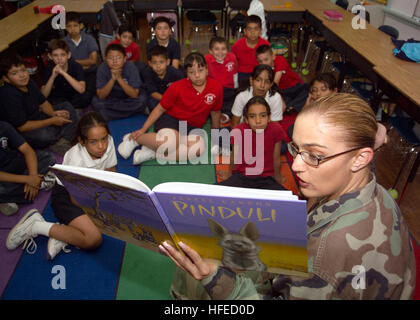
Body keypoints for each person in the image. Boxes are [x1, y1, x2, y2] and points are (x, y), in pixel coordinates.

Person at [159, 93, 416, 300]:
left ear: (361, 157)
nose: (295, 166)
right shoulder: (372, 187)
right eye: (296, 149)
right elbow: (371, 138)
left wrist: (215, 277)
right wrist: (376, 130)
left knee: (194, 273)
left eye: (315, 155)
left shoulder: (326, 256)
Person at [6, 111, 117, 260]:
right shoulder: (76, 160)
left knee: (117, 213)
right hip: (67, 197)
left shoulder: (108, 142)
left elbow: (111, 172)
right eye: (93, 142)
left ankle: (65, 234)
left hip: (92, 189)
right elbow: (75, 200)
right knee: (93, 239)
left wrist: (112, 197)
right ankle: (36, 225)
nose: (101, 146)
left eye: (104, 139)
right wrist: (100, 208)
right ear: (82, 141)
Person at [118, 52, 222, 165]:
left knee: (197, 149)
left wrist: (216, 139)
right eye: (192, 72)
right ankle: (135, 139)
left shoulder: (216, 87)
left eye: (200, 70)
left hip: (192, 127)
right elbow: (159, 109)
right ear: (186, 74)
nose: (197, 75)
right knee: (169, 143)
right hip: (172, 120)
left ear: (207, 70)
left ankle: (155, 152)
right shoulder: (177, 87)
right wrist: (143, 129)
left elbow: (215, 113)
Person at [0, 55, 77, 155]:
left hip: (38, 116)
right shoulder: (7, 95)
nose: (22, 75)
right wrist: (52, 121)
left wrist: (54, 114)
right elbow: (22, 127)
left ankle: (63, 139)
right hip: (24, 129)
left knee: (67, 107)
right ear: (6, 78)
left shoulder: (29, 82)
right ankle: (60, 138)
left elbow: (43, 103)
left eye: (23, 70)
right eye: (15, 73)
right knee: (45, 135)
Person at [217, 96, 287, 190]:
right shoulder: (238, 131)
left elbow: (276, 158)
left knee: (290, 201)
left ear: (269, 117)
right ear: (246, 119)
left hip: (266, 179)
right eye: (252, 116)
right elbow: (234, 157)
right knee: (211, 194)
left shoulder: (276, 129)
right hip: (241, 177)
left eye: (262, 115)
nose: (258, 121)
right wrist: (229, 174)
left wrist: (277, 177)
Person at [0, 121, 56, 216]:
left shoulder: (3, 126)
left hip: (14, 162)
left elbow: (27, 150)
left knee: (48, 157)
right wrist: (28, 179)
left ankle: (14, 196)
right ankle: (41, 183)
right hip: (3, 176)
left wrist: (33, 175)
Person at [92, 43, 147, 121]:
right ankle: (131, 113)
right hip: (111, 98)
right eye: (110, 58)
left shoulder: (131, 67)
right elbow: (101, 95)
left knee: (141, 101)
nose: (114, 61)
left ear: (124, 59)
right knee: (97, 103)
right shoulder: (102, 68)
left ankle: (111, 114)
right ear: (106, 59)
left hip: (128, 98)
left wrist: (119, 78)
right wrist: (113, 79)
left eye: (118, 58)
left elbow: (134, 94)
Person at [256, 44, 308, 113]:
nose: (263, 63)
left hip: (295, 86)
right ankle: (291, 107)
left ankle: (291, 106)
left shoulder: (280, 60)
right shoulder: (261, 69)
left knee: (308, 89)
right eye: (260, 61)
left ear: (273, 56)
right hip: (282, 91)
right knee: (278, 100)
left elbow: (275, 82)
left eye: (266, 60)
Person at [41, 39, 91, 110]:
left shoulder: (76, 66)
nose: (59, 58)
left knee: (86, 96)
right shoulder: (49, 69)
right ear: (50, 56)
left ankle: (70, 108)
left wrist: (63, 73)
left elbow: (81, 89)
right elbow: (44, 95)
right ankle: (66, 108)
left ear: (68, 55)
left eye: (63, 55)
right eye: (55, 55)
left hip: (73, 96)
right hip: (58, 99)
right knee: (46, 103)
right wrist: (52, 76)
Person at [64, 11, 99, 101]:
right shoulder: (64, 43)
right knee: (69, 93)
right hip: (73, 74)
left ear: (81, 26)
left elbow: (93, 60)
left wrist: (74, 62)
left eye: (75, 25)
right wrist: (83, 65)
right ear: (65, 28)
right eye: (69, 26)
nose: (73, 29)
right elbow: (65, 62)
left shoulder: (89, 39)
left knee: (89, 94)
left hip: (90, 72)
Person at [205, 36, 238, 124]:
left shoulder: (232, 57)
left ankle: (225, 115)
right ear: (210, 51)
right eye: (216, 49)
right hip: (213, 89)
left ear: (227, 50)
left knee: (234, 102)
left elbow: (235, 74)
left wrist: (236, 88)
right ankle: (213, 115)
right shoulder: (206, 59)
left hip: (228, 89)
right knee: (209, 102)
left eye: (223, 49)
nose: (220, 52)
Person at [142, 45, 185, 113]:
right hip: (157, 97)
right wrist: (167, 100)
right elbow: (153, 93)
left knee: (183, 105)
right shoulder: (147, 73)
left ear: (167, 62)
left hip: (173, 97)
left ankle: (173, 114)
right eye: (154, 62)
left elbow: (183, 89)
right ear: (150, 63)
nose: (158, 66)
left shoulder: (176, 73)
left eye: (161, 62)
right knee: (150, 103)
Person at [231, 15, 270, 86]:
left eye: (256, 29)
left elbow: (268, 64)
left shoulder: (265, 44)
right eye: (249, 29)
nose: (252, 32)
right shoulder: (237, 45)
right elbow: (233, 63)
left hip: (260, 73)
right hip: (242, 74)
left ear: (260, 31)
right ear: (245, 31)